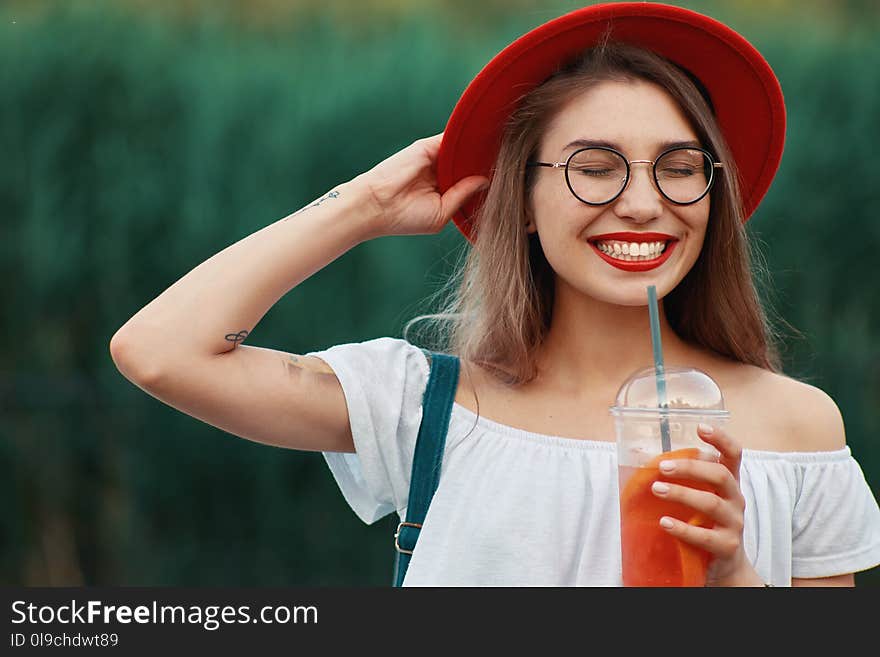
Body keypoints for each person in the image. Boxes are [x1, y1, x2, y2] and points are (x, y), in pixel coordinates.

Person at [109, 2, 880, 586]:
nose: (644, 202)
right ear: (524, 203)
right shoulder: (426, 407)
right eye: (595, 165)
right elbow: (159, 352)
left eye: (679, 167)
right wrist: (363, 205)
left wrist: (735, 580)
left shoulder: (797, 429)